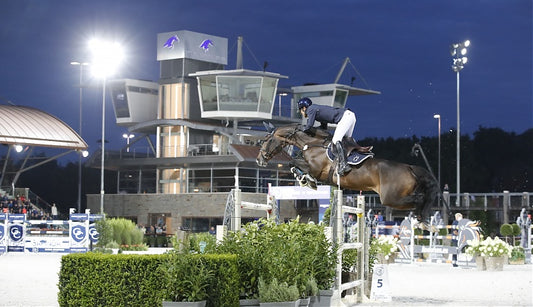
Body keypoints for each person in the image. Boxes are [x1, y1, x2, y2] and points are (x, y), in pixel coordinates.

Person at [297, 97, 372, 176]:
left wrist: (300, 130)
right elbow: (323, 128)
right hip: (350, 116)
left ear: (304, 108)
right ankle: (354, 158)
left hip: (345, 117)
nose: (301, 113)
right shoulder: (316, 109)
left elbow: (308, 126)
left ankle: (344, 165)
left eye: (300, 110)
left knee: (336, 140)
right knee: (346, 141)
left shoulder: (310, 109)